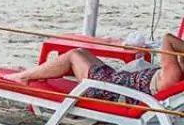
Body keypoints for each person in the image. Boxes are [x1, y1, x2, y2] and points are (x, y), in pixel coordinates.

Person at [12, 31, 184, 99]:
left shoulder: (173, 73)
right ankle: (32, 72)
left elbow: (168, 39)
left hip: (110, 90)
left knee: (75, 55)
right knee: (83, 55)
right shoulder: (178, 74)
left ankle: (24, 77)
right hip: (118, 82)